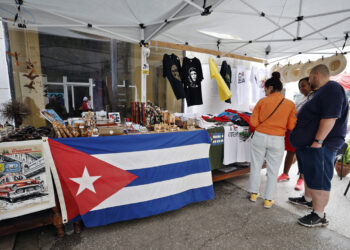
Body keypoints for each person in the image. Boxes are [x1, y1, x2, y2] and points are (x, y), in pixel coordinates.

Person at [289, 64, 348, 227]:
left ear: (315, 75)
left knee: (320, 178)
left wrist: (318, 141)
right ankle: (308, 200)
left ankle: (319, 214)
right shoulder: (320, 92)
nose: (308, 81)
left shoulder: (332, 88)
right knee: (310, 174)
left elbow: (330, 117)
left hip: (323, 145)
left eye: (309, 78)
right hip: (310, 144)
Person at [249, 73, 297, 208]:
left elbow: (253, 121)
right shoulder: (290, 104)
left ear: (270, 88)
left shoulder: (262, 102)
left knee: (256, 165)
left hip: (259, 136)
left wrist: (263, 127)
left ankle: (253, 193)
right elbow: (291, 126)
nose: (265, 92)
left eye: (265, 90)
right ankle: (268, 200)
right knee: (273, 170)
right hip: (277, 139)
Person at [278, 77, 314, 191]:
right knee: (290, 151)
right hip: (294, 128)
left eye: (303, 85)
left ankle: (301, 179)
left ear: (310, 85)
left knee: (302, 155)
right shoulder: (300, 98)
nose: (301, 88)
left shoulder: (315, 98)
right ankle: (285, 173)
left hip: (306, 131)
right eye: (299, 86)